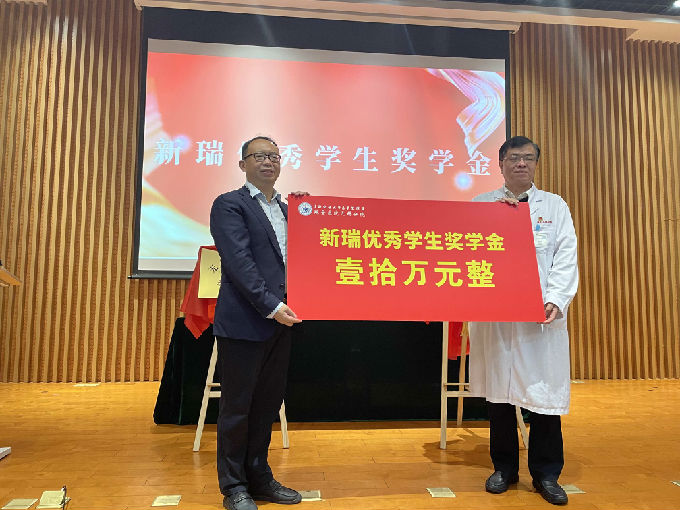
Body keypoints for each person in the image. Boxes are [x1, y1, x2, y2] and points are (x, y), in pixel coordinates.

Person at [468, 136, 578, 506]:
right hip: (497, 318)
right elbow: (464, 255)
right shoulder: (480, 205)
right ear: (500, 164)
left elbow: (566, 255)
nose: (521, 164)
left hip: (540, 319)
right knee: (499, 396)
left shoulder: (555, 206)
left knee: (544, 397)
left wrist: (556, 299)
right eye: (514, 158)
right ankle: (504, 468)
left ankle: (546, 474)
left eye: (528, 158)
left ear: (535, 164)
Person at [210, 135, 303, 510]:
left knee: (267, 405)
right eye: (259, 156)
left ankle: (260, 478)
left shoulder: (289, 210)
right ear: (243, 164)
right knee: (237, 408)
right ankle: (234, 486)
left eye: (274, 156)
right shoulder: (229, 205)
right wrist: (271, 305)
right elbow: (239, 263)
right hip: (245, 322)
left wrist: (311, 214)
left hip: (282, 322)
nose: (268, 162)